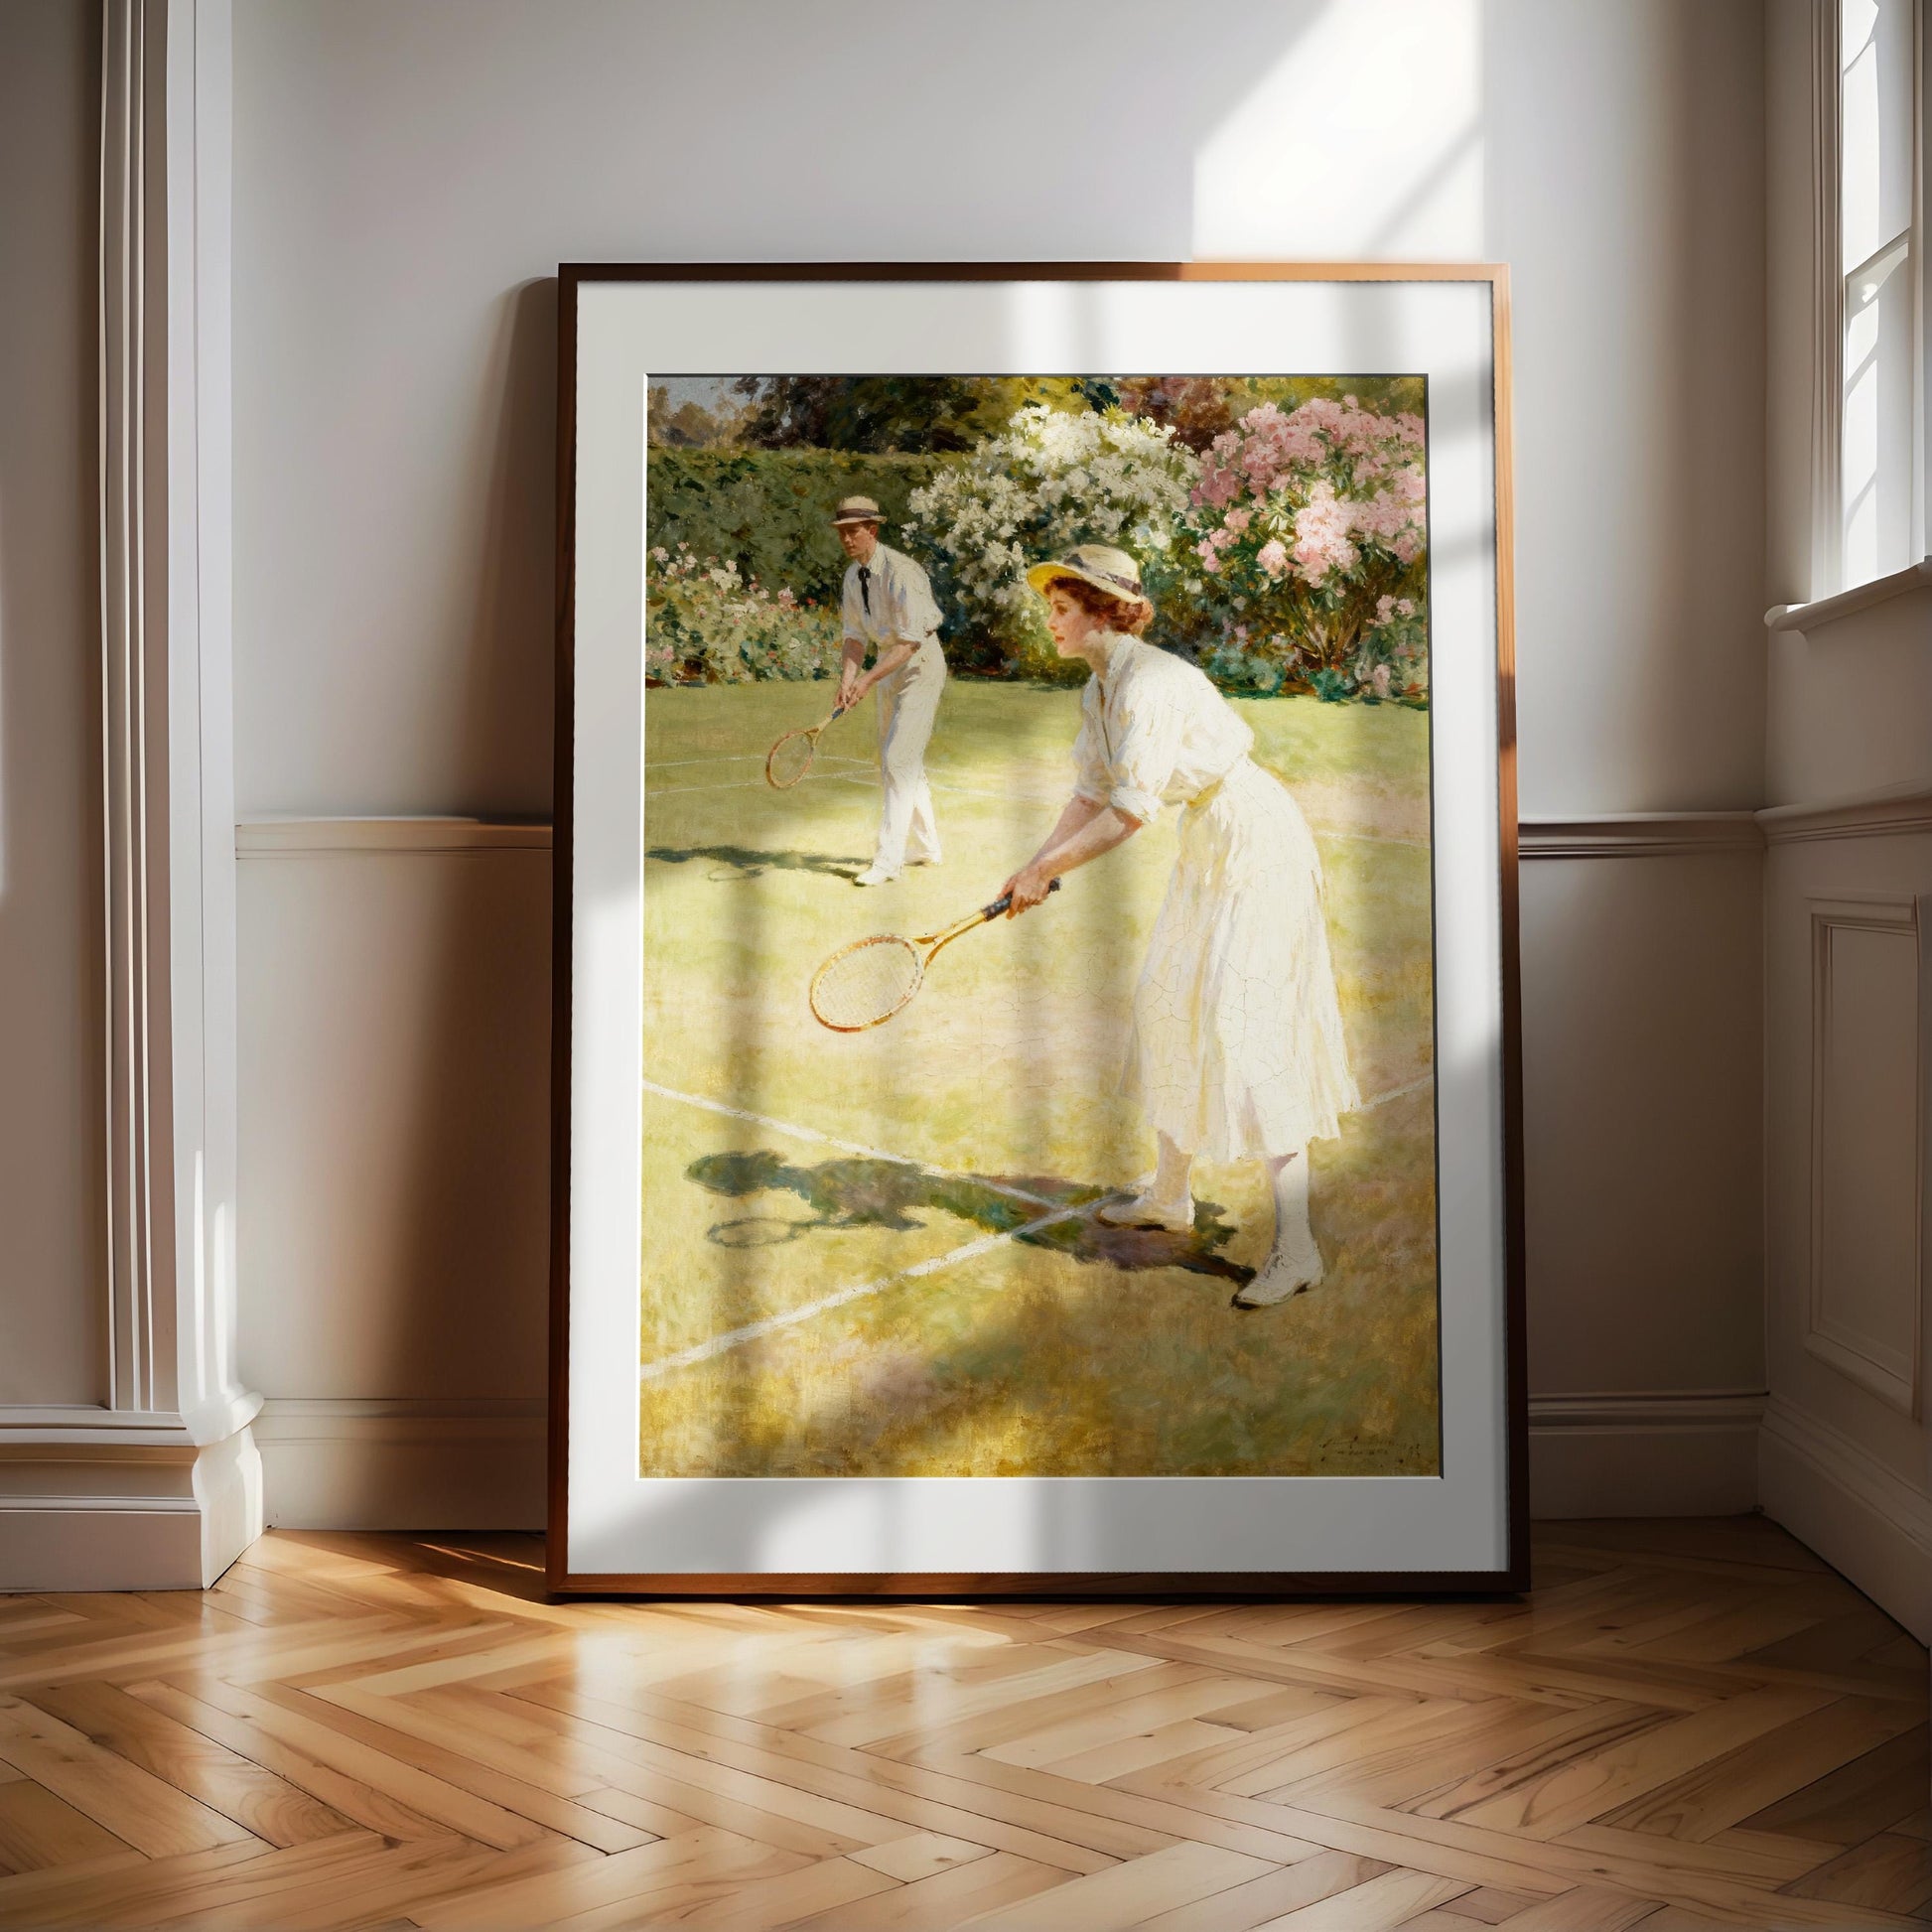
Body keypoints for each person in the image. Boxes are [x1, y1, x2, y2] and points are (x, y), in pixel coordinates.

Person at [999, 544, 1360, 1309]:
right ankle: (1170, 1195)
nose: (1051, 623)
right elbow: (1089, 794)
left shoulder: (1154, 684)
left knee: (1250, 1031)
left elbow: (1130, 811)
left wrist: (1048, 870)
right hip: (1209, 845)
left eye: (1061, 609)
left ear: (1103, 611)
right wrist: (1033, 865)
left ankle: (1297, 1249)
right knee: (1166, 1003)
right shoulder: (1101, 690)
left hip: (1257, 844)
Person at [832, 495, 948, 886]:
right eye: (842, 533)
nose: (847, 539)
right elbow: (853, 638)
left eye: (854, 531)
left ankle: (887, 862)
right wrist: (847, 680)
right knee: (901, 762)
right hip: (889, 666)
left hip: (920, 666)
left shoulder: (903, 571)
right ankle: (929, 847)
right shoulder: (852, 577)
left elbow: (911, 642)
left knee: (897, 759)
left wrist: (865, 680)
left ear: (873, 530)